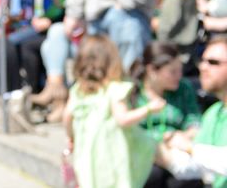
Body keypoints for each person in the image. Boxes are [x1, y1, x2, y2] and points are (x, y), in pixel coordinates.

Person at [63, 34, 159, 188]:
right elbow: (123, 119)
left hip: (86, 155)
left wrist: (71, 137)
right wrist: (149, 109)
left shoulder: (78, 91)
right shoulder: (114, 90)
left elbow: (67, 117)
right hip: (110, 155)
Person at [130, 42, 203, 188]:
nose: (179, 76)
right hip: (144, 155)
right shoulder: (132, 93)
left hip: (177, 151)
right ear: (152, 70)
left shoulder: (183, 88)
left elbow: (194, 121)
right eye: (172, 72)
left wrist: (182, 136)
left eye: (180, 70)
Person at [161, 36, 227, 186]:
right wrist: (153, 147)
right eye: (202, 61)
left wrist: (189, 147)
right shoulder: (213, 113)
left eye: (213, 62)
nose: (203, 67)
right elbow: (193, 167)